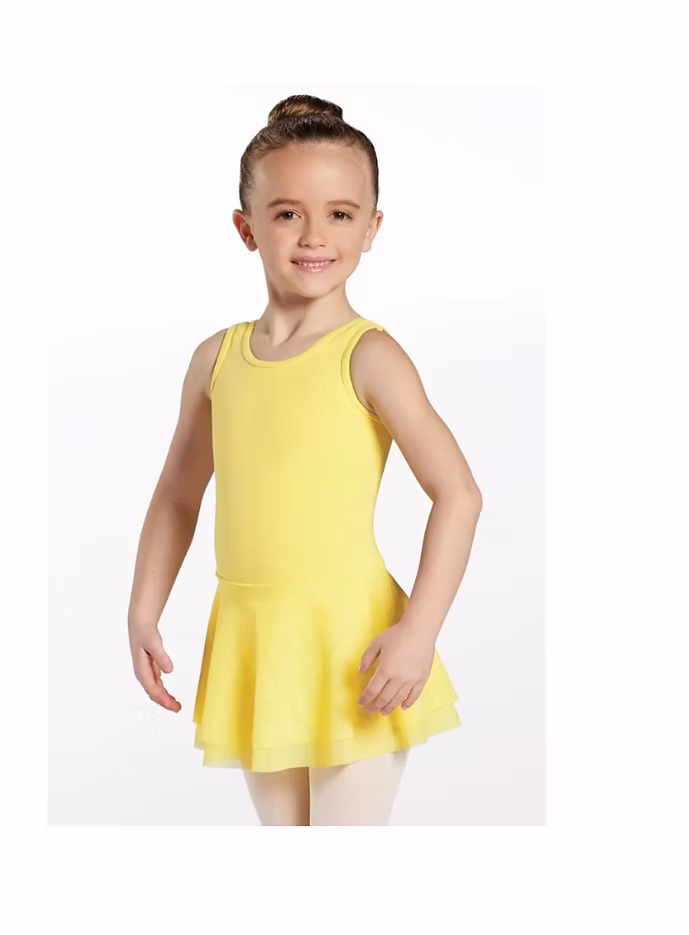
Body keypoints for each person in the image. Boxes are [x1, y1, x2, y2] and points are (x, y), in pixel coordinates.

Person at [127, 95, 482, 826]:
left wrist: (418, 632)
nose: (315, 235)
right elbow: (178, 496)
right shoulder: (216, 360)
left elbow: (458, 493)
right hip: (256, 644)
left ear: (372, 228)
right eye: (288, 213)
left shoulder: (369, 356)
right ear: (246, 228)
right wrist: (143, 609)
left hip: (353, 643)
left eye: (341, 214)